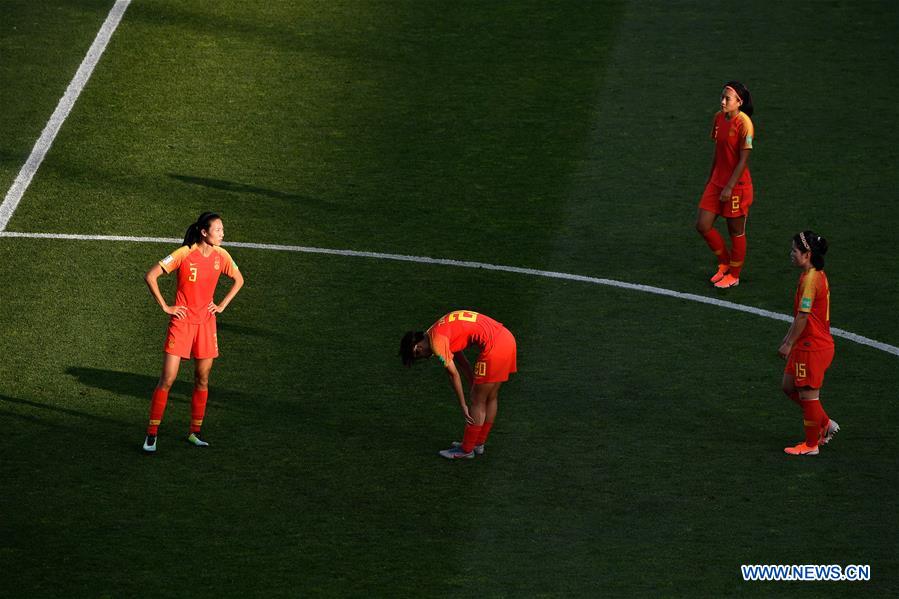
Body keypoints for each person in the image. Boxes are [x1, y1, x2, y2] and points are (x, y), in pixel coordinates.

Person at [142, 212, 244, 453]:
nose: (222, 234)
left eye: (222, 229)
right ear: (204, 232)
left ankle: (194, 432)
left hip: (206, 325)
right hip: (182, 324)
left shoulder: (222, 256)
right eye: (218, 229)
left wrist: (221, 305)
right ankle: (152, 434)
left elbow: (239, 279)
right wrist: (166, 306)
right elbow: (151, 276)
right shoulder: (184, 253)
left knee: (202, 379)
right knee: (168, 379)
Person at [400, 310, 517, 459]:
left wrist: (463, 405)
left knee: (477, 400)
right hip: (506, 338)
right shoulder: (435, 331)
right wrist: (474, 384)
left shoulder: (436, 342)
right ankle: (477, 443)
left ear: (417, 348)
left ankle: (466, 450)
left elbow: (453, 374)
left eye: (418, 356)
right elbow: (463, 363)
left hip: (494, 347)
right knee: (491, 397)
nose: (425, 358)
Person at [778, 231, 839, 456]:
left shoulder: (811, 280)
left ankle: (811, 444)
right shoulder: (811, 275)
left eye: (795, 250)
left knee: (808, 395)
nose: (791, 253)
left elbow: (803, 316)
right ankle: (825, 423)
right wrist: (788, 338)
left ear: (807, 254)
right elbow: (800, 316)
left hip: (812, 346)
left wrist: (788, 343)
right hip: (806, 343)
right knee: (788, 386)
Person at [696, 80, 755, 288]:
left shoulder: (744, 124)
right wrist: (710, 178)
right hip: (717, 182)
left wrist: (729, 187)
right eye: (722, 97)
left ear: (739, 102)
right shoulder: (718, 118)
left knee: (735, 231)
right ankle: (725, 263)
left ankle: (734, 275)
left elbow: (743, 160)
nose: (722, 101)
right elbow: (718, 151)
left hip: (737, 186)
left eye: (727, 99)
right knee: (702, 225)